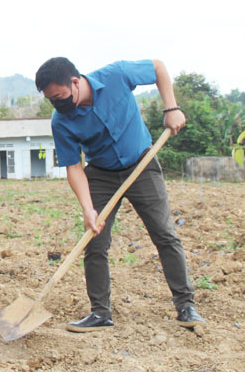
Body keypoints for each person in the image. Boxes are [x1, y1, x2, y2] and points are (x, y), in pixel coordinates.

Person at [34, 57, 205, 332]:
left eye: (60, 97)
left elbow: (158, 67)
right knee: (95, 242)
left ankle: (186, 306)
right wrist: (88, 209)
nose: (58, 104)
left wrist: (171, 107)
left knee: (164, 235)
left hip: (142, 164)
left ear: (75, 82)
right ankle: (100, 313)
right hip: (100, 174)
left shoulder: (116, 75)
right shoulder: (61, 121)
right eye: (52, 100)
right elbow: (74, 167)